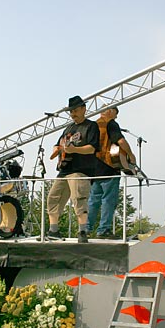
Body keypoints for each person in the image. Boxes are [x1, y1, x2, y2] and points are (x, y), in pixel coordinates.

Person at [47, 95, 100, 243]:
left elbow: (92, 148)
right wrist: (57, 150)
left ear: (84, 109)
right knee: (53, 197)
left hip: (81, 168)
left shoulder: (91, 126)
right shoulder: (69, 128)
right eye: (71, 111)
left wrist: (74, 150)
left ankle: (83, 231)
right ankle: (53, 230)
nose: (73, 114)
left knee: (79, 198)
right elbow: (58, 144)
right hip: (64, 169)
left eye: (75, 110)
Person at [87, 106, 136, 239]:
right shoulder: (111, 123)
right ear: (110, 111)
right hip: (109, 166)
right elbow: (120, 140)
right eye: (116, 113)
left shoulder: (92, 125)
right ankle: (103, 230)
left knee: (93, 200)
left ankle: (85, 229)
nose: (116, 116)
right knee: (108, 200)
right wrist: (131, 155)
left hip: (94, 168)